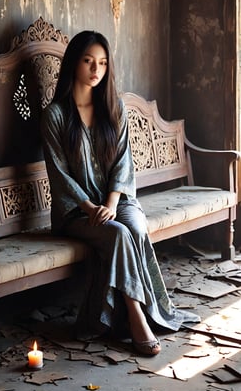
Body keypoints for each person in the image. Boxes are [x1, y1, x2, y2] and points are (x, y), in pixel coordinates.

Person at [41, 31, 200, 356]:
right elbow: (59, 176)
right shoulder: (55, 115)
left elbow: (124, 164)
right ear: (74, 63)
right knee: (118, 235)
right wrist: (90, 208)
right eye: (88, 61)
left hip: (117, 199)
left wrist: (111, 203)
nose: (95, 69)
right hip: (76, 212)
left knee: (136, 228)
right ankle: (136, 315)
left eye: (101, 62)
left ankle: (130, 315)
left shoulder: (114, 109)